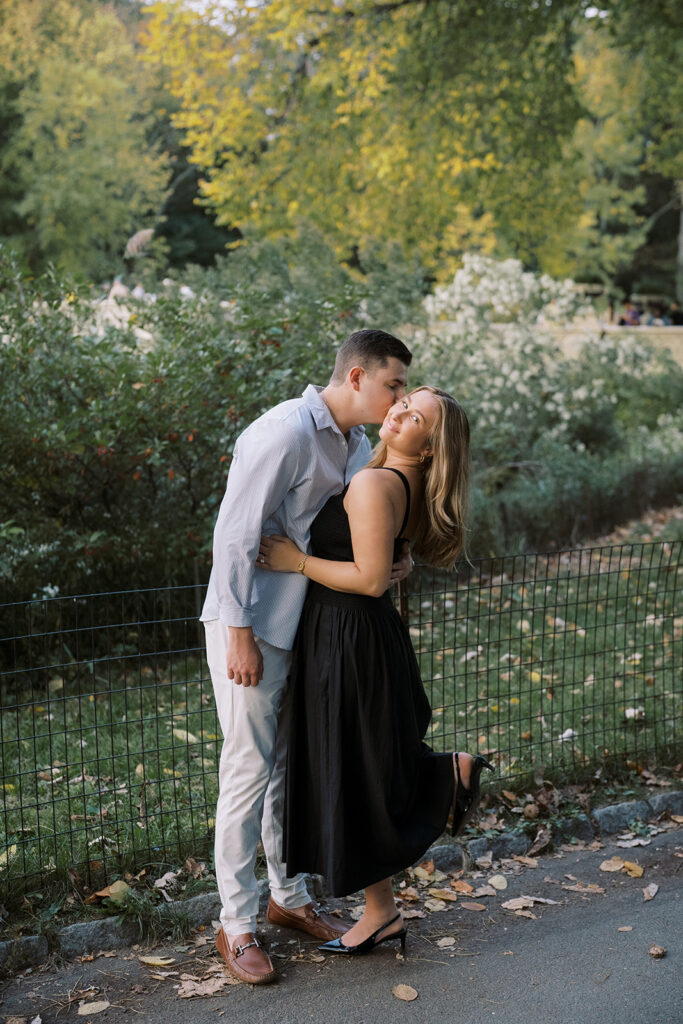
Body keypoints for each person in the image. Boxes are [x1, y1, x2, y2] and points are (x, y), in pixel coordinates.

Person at [200, 329, 414, 984]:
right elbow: (235, 533)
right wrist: (237, 630)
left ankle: (287, 898)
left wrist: (391, 562)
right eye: (393, 384)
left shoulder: (352, 446)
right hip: (255, 628)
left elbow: (346, 537)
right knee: (247, 769)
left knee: (287, 770)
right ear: (356, 377)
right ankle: (235, 926)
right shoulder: (286, 432)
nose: (399, 397)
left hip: (309, 632)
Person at [258, 386, 493, 956]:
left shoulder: (370, 482)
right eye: (402, 402)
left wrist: (296, 561)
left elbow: (366, 577)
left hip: (348, 633)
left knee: (353, 765)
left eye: (415, 416)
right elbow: (385, 564)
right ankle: (382, 910)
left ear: (432, 446)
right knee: (359, 764)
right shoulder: (391, 478)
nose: (396, 412)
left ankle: (442, 778)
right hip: (360, 631)